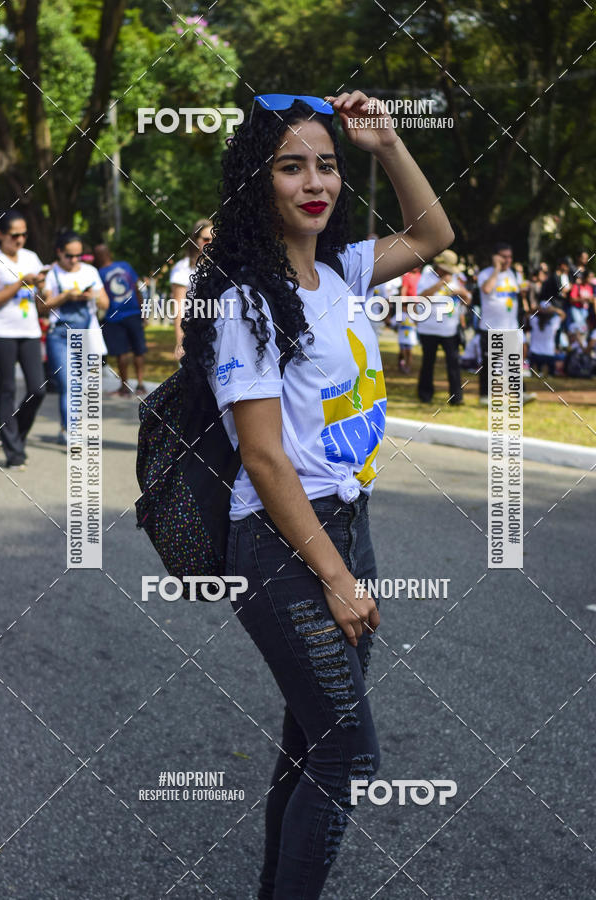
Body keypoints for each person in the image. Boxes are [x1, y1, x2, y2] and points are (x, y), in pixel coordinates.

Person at [181, 90, 453, 899]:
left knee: (312, 744)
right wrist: (336, 575)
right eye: (290, 165)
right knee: (347, 755)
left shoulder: (342, 270)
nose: (314, 182)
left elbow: (435, 235)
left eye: (326, 165)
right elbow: (264, 461)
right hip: (281, 544)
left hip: (346, 524)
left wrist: (387, 146)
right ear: (255, 183)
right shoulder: (244, 302)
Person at [42, 231, 109, 443]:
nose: (73, 260)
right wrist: (66, 296)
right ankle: (72, 432)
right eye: (69, 256)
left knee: (80, 385)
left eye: (78, 256)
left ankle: (67, 427)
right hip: (59, 335)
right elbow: (43, 306)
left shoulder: (90, 271)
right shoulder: (50, 273)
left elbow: (105, 304)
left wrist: (94, 295)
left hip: (86, 333)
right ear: (59, 252)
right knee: (68, 383)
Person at [0, 210, 47, 468]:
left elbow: (43, 300)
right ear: (1, 234)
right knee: (6, 390)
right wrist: (19, 283)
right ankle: (14, 452)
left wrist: (41, 286)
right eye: (15, 235)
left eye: (24, 234)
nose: (20, 240)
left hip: (30, 331)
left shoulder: (31, 257)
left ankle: (13, 435)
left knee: (38, 390)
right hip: (2, 333)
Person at [477, 242, 536, 404]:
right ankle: (485, 396)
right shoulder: (486, 274)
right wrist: (496, 269)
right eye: (504, 257)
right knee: (489, 363)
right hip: (490, 326)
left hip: (510, 326)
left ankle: (519, 395)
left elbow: (519, 293)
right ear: (495, 257)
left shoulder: (514, 274)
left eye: (510, 257)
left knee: (513, 363)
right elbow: (487, 289)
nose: (507, 260)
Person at [415, 250, 471, 405]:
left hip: (450, 329)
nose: (447, 273)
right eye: (445, 270)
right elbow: (421, 296)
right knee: (428, 362)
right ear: (438, 267)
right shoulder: (427, 275)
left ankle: (456, 397)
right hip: (428, 328)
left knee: (453, 363)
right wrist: (441, 283)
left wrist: (463, 293)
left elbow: (467, 299)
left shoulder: (456, 279)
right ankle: (425, 394)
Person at [93, 243, 148, 396]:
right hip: (132, 313)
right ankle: (140, 384)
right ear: (110, 254)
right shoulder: (125, 266)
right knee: (138, 350)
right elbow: (137, 289)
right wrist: (143, 310)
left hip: (114, 317)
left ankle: (125, 387)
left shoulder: (99, 273)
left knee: (122, 353)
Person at [170, 218, 212, 360]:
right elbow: (178, 307)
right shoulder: (182, 269)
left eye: (215, 239)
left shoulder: (223, 268)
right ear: (195, 240)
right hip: (193, 335)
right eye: (206, 239)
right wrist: (180, 341)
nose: (211, 243)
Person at [529, 302, 565, 377]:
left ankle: (541, 371)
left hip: (541, 354)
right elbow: (563, 315)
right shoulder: (553, 321)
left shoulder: (534, 320)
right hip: (545, 355)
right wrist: (553, 309)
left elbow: (528, 313)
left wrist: (538, 309)